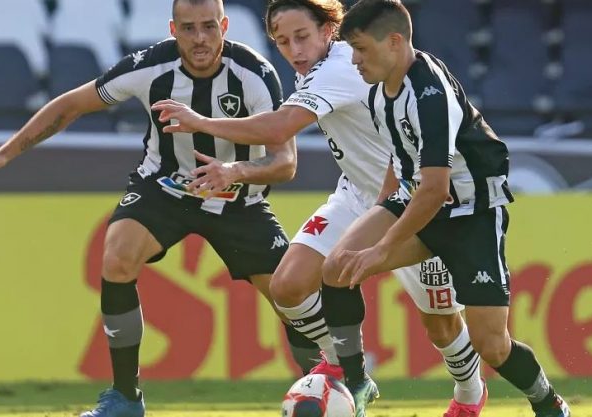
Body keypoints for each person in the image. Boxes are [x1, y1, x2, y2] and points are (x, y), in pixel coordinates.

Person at [0, 0, 324, 416]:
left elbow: (285, 162)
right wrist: (5, 153)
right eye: (189, 29)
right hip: (166, 189)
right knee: (117, 256)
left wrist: (235, 171)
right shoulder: (150, 66)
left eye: (209, 26)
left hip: (237, 198)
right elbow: (71, 104)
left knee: (289, 295)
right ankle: (124, 400)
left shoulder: (255, 74)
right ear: (174, 29)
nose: (201, 38)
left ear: (224, 25)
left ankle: (327, 387)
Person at [151, 1, 487, 416]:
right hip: (355, 194)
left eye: (302, 37)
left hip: (408, 199)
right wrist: (235, 168)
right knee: (288, 286)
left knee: (441, 324)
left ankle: (470, 396)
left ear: (330, 30)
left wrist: (200, 121)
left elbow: (279, 127)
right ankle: (348, 369)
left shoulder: (341, 67)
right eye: (283, 41)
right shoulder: (314, 69)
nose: (294, 49)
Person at [322, 1, 572, 416]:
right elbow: (399, 159)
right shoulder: (379, 90)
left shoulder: (429, 94)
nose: (355, 59)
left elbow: (436, 189)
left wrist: (382, 249)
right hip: (417, 198)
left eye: (362, 49)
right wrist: (382, 210)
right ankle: (356, 385)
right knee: (337, 268)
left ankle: (548, 403)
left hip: (472, 213)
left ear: (395, 41)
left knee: (491, 345)